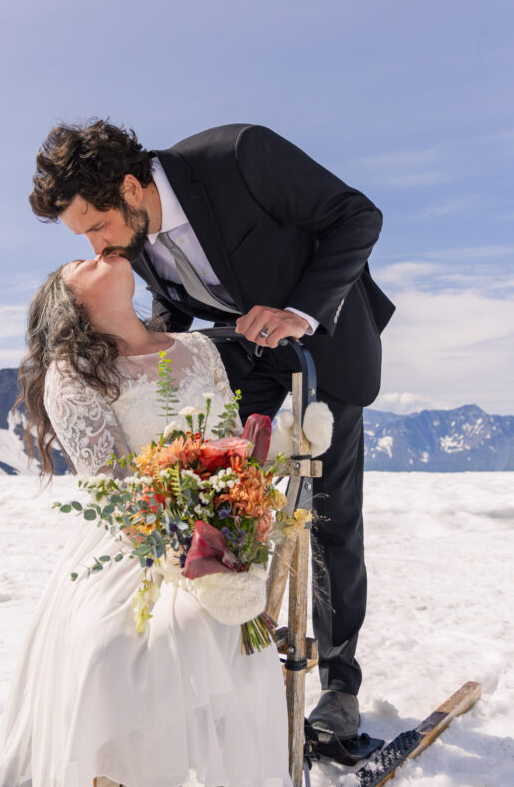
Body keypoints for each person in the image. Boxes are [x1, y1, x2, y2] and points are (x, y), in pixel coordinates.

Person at [28, 120, 395, 743]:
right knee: (201, 478)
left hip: (319, 341)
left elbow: (357, 216)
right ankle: (222, 646)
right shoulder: (128, 232)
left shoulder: (239, 157)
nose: (96, 247)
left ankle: (339, 682)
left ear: (130, 187)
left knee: (327, 512)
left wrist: (299, 313)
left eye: (96, 226)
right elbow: (177, 298)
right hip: (243, 350)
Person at [0, 253, 292, 787]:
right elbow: (108, 483)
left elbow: (224, 440)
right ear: (68, 300)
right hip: (126, 538)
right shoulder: (72, 372)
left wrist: (229, 516)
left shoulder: (196, 349)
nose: (97, 252)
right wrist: (175, 525)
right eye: (78, 260)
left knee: (182, 635)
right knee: (107, 644)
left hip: (207, 535)